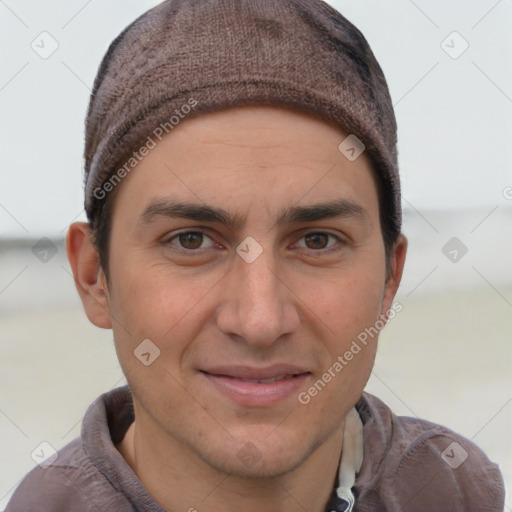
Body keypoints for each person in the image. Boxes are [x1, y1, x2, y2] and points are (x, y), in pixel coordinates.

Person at [6, 1, 505, 511]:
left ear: (389, 279)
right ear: (94, 278)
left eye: (317, 241)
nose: (260, 320)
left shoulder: (454, 491)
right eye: (191, 241)